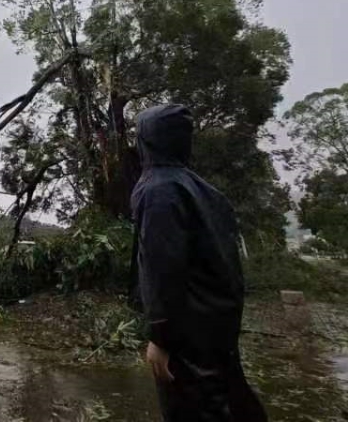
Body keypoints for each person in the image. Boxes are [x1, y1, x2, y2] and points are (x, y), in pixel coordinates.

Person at [130, 104, 268, 422]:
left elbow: (163, 268)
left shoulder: (157, 190)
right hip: (218, 331)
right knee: (231, 404)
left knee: (193, 410)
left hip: (186, 339)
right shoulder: (209, 193)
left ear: (147, 142)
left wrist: (160, 338)